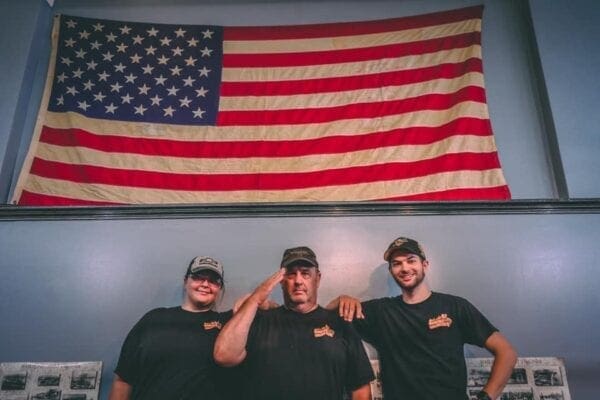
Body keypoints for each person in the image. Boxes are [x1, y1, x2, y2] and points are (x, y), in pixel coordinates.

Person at [327, 237, 518, 400]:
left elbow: (506, 352)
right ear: (391, 271)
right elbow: (324, 318)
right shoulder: (380, 312)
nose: (404, 268)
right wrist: (340, 300)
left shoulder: (455, 306)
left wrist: (486, 397)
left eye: (411, 260)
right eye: (397, 263)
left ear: (424, 265)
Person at [213, 246, 375, 400]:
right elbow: (224, 356)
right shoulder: (261, 320)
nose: (298, 281)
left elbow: (360, 389)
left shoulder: (340, 323)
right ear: (282, 281)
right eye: (291, 274)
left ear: (317, 279)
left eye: (305, 274)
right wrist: (255, 299)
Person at [108, 256, 238, 400]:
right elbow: (123, 380)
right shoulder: (154, 319)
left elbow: (258, 303)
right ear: (185, 281)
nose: (206, 284)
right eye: (198, 277)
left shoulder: (227, 323)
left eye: (213, 280)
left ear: (219, 288)